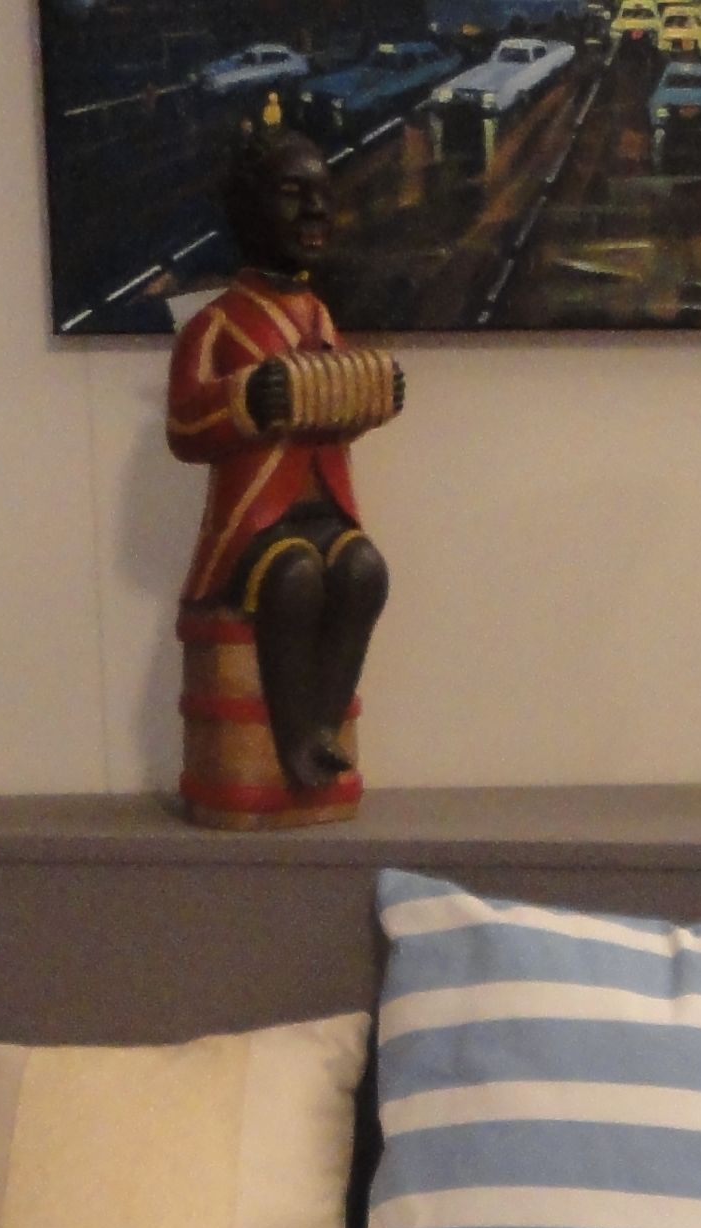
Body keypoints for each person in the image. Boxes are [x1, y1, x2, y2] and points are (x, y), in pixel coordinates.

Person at [167, 125, 405, 797]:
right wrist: (245, 399)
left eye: (323, 194)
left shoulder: (320, 317)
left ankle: (321, 726)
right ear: (249, 211)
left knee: (364, 569)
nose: (315, 211)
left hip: (324, 508)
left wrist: (371, 398)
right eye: (293, 194)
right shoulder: (214, 325)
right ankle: (297, 741)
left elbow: (332, 409)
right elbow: (184, 426)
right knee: (293, 577)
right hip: (253, 524)